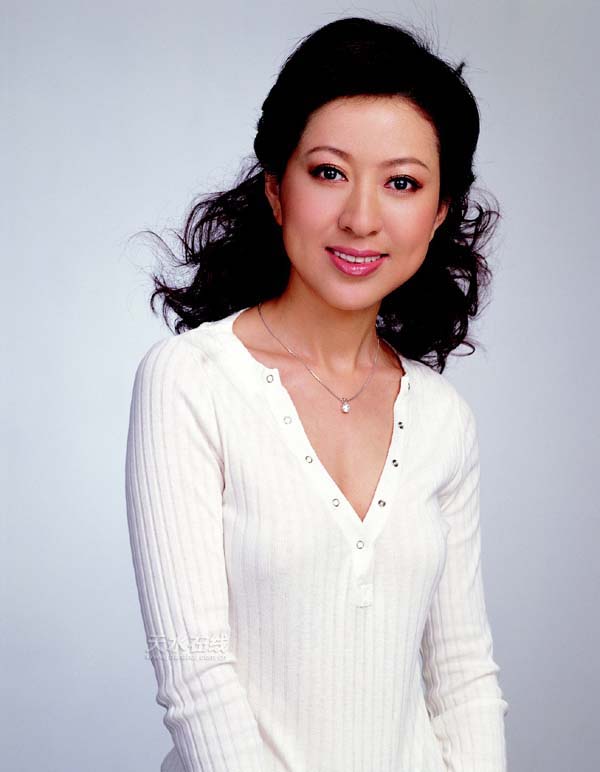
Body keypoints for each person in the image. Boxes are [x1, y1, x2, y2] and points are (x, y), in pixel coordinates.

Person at [125, 15, 509, 772]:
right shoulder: (192, 380)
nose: (361, 218)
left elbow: (464, 677)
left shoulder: (443, 419)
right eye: (329, 172)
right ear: (275, 188)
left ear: (439, 213)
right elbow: (197, 679)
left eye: (402, 183)